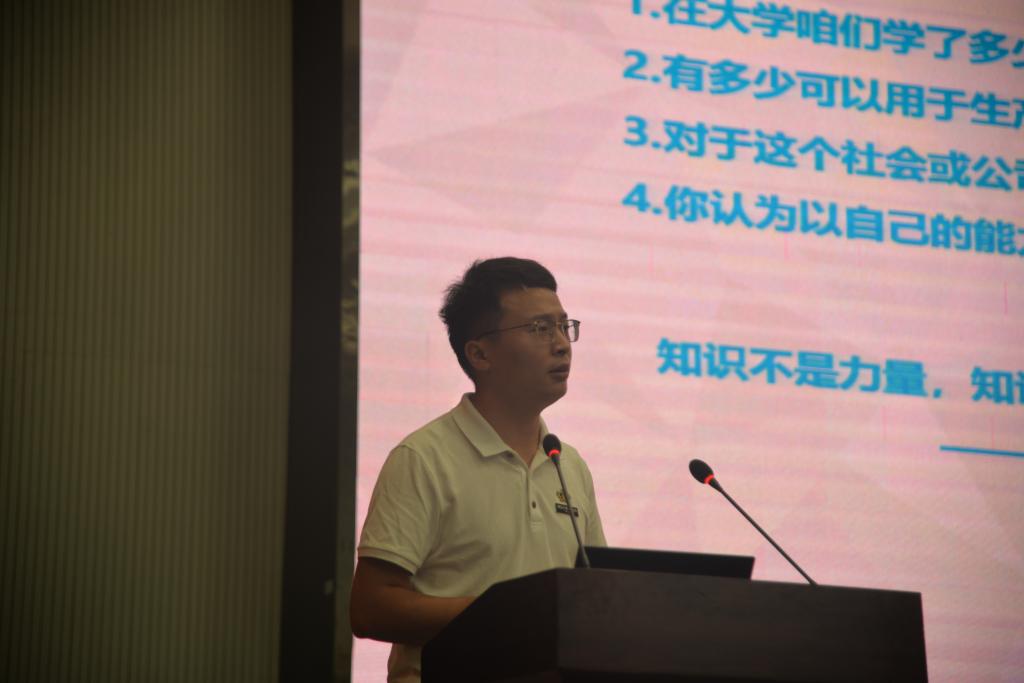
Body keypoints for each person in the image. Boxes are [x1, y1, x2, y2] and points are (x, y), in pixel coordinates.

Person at [350, 257, 606, 682]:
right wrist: (504, 615)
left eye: (564, 326)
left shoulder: (569, 465)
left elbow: (594, 599)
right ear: (480, 353)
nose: (562, 344)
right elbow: (371, 609)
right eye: (540, 328)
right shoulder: (424, 458)